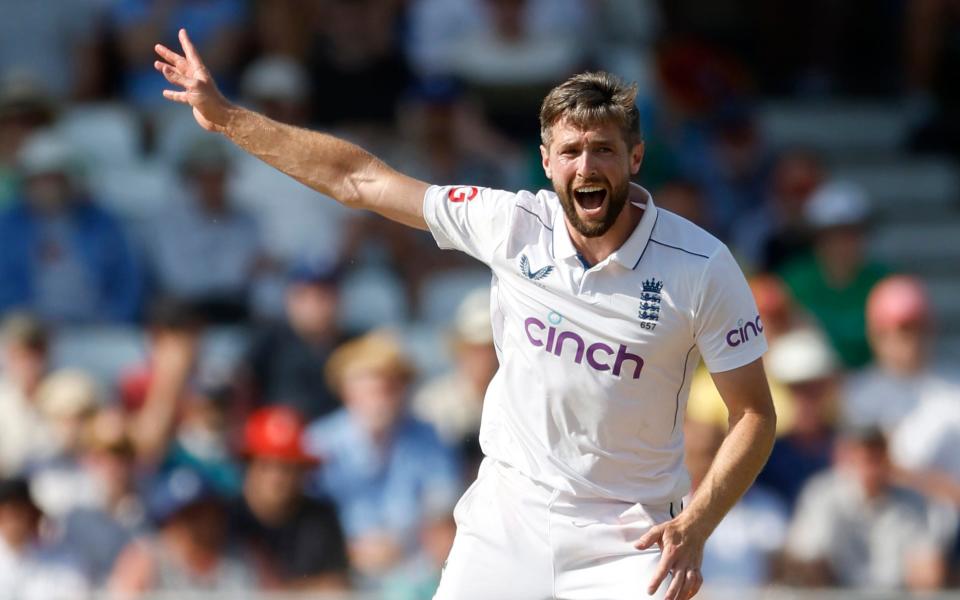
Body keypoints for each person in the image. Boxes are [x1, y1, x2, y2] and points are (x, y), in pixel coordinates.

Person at [154, 32, 777, 600]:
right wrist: (228, 118)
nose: (587, 167)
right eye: (571, 151)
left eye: (604, 150)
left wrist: (696, 523)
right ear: (546, 159)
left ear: (636, 157)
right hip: (509, 518)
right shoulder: (511, 224)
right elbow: (359, 180)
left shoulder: (700, 264)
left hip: (634, 535)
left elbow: (753, 413)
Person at [304, 331, 461, 583]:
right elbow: (306, 518)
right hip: (334, 569)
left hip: (414, 570)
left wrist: (401, 547)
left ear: (402, 389)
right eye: (370, 386)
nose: (379, 397)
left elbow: (442, 514)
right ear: (346, 391)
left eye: (389, 385)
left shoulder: (430, 438)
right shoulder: (319, 442)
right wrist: (346, 552)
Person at [233, 406, 350, 592]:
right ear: (249, 465)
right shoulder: (227, 516)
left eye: (289, 467)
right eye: (267, 465)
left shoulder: (320, 519)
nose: (277, 477)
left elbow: (335, 587)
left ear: (305, 471)